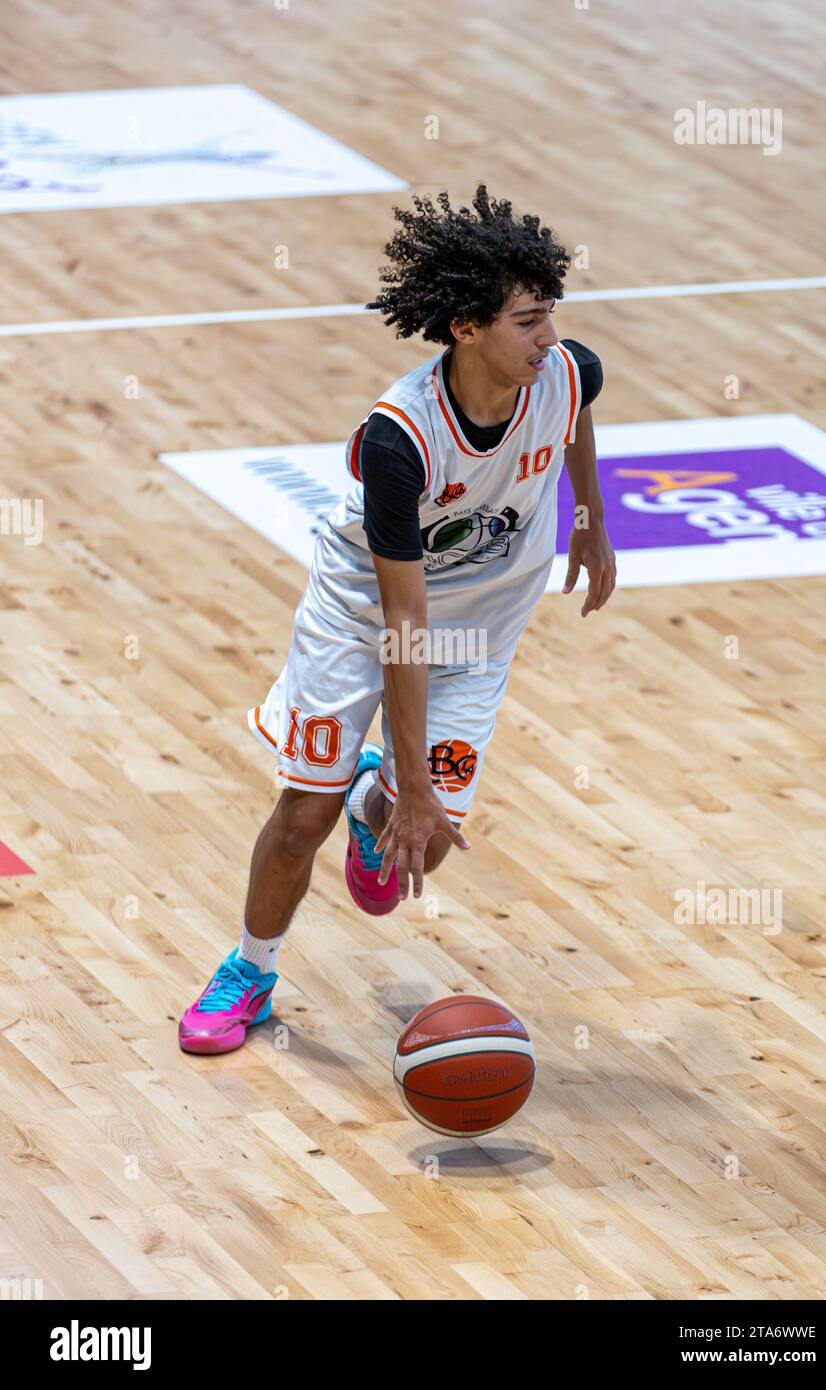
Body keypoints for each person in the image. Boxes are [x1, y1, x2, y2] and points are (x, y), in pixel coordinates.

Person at [179, 185, 616, 1055]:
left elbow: (576, 420)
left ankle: (379, 793)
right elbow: (402, 628)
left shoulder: (566, 373)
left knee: (429, 845)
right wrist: (411, 789)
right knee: (305, 815)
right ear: (464, 326)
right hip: (363, 614)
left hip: (482, 625)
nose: (550, 338)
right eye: (528, 321)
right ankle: (250, 971)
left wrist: (591, 521)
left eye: (551, 315)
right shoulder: (400, 440)